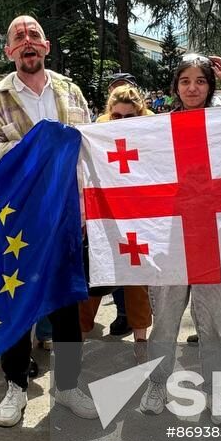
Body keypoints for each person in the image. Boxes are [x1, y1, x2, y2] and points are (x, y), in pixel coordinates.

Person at [0, 14, 99, 427]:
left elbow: (90, 147)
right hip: (19, 217)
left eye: (34, 35)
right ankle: (15, 385)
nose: (27, 41)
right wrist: (38, 146)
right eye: (18, 37)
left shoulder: (71, 90)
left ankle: (67, 385)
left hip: (68, 212)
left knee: (67, 301)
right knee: (16, 301)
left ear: (46, 46)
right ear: (9, 51)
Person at [138, 53, 221, 425]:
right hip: (171, 240)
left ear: (211, 86)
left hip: (217, 239)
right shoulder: (160, 128)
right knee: (164, 322)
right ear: (175, 87)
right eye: (185, 81)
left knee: (214, 326)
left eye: (201, 81)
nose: (193, 88)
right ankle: (157, 384)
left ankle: (215, 391)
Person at [78, 85, 155, 354]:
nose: (122, 122)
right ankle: (79, 340)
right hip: (105, 218)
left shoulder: (151, 132)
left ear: (140, 113)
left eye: (129, 116)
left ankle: (141, 341)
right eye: (118, 117)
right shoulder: (98, 132)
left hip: (138, 217)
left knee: (136, 281)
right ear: (110, 115)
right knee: (94, 280)